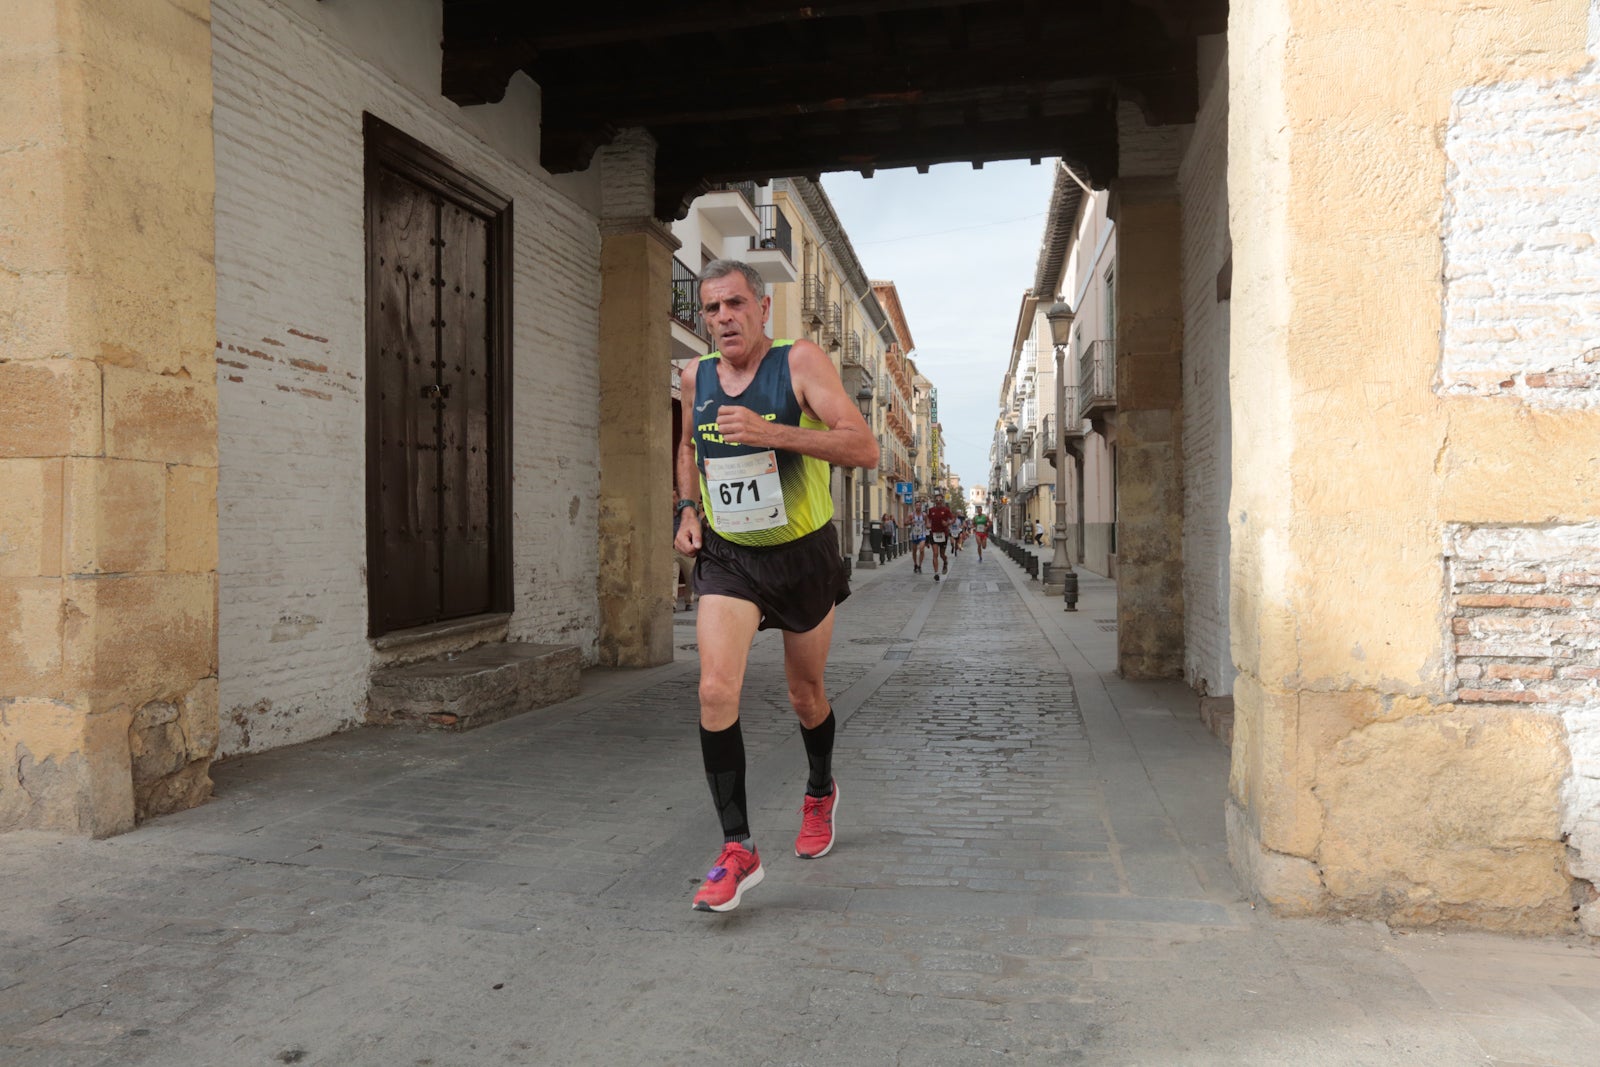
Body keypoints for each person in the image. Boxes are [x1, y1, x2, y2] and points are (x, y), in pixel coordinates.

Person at [674, 259, 879, 913]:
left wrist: (772, 434)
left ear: (763, 309)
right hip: (729, 556)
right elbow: (688, 445)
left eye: (736, 303)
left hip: (801, 556)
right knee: (714, 688)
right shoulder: (696, 376)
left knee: (804, 693)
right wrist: (686, 508)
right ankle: (738, 848)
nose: (724, 317)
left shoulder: (800, 363)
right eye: (712, 308)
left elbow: (865, 448)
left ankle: (819, 789)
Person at [925, 491, 954, 580]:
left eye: (940, 500)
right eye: (937, 500)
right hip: (934, 534)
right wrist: (928, 524)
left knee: (942, 554)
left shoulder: (946, 510)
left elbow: (952, 519)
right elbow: (928, 519)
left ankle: (945, 561)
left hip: (943, 534)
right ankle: (936, 573)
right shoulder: (931, 510)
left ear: (942, 501)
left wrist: (948, 523)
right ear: (935, 501)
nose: (938, 501)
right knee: (935, 553)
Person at [908, 503, 928, 573]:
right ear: (915, 506)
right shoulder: (911, 515)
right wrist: (911, 522)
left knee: (921, 549)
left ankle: (920, 565)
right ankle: (915, 564)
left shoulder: (924, 515)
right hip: (914, 534)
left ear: (921, 506)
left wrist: (929, 527)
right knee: (914, 551)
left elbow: (927, 524)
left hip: (922, 534)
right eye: (917, 505)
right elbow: (905, 523)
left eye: (919, 505)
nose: (918, 506)